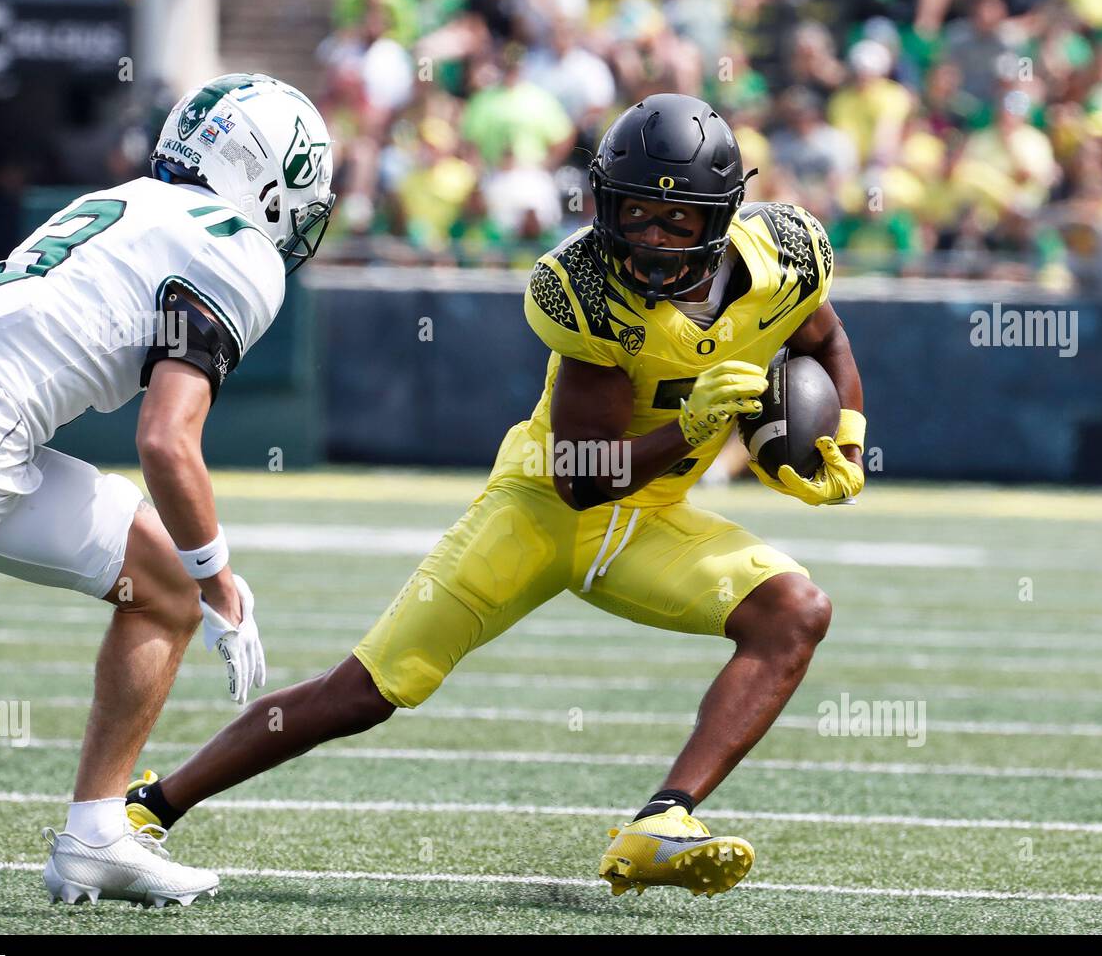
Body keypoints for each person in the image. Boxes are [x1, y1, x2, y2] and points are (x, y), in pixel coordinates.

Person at [126, 94, 867, 899]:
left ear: (718, 219)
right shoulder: (580, 284)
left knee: (796, 611)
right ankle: (153, 803)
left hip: (650, 522)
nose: (646, 237)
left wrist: (848, 433)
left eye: (673, 220)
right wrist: (691, 428)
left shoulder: (788, 251)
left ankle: (660, 820)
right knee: (363, 692)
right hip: (541, 509)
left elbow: (822, 337)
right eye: (631, 212)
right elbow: (583, 475)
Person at [0, 73, 335, 907]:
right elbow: (166, 438)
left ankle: (97, 833)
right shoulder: (238, 249)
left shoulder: (139, 199)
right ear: (263, 179)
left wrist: (197, 579)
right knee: (195, 582)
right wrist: (223, 580)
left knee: (161, 586)